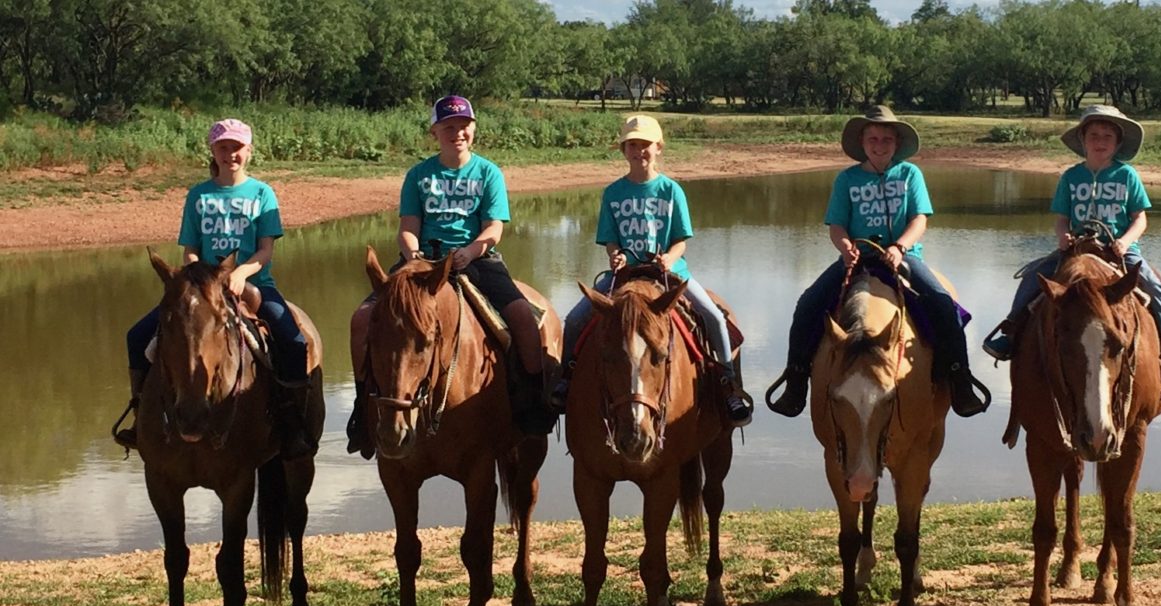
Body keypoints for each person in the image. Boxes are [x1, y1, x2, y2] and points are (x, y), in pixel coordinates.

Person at [346, 95, 553, 453]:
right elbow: (408, 227)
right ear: (435, 132)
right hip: (423, 262)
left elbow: (493, 228)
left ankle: (531, 398)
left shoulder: (488, 172)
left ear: (473, 130)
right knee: (363, 318)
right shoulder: (419, 175)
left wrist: (469, 251)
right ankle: (364, 404)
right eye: (448, 127)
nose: (457, 133)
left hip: (476, 257)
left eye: (463, 126)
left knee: (522, 317)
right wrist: (413, 254)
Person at [767, 105, 989, 419]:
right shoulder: (847, 179)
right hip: (858, 258)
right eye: (873, 138)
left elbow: (919, 219)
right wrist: (845, 247)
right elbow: (836, 225)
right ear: (863, 142)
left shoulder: (910, 174)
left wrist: (900, 247)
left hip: (903, 257)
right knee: (808, 303)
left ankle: (959, 377)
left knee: (941, 302)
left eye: (886, 139)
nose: (879, 144)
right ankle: (796, 379)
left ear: (896, 143)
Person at [113, 118, 314, 458]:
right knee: (137, 337)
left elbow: (266, 249)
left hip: (252, 284)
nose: (230, 154)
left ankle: (291, 423)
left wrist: (240, 274)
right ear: (213, 151)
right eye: (223, 147)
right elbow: (190, 249)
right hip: (201, 289)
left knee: (293, 342)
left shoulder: (262, 193)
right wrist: (193, 278)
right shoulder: (198, 195)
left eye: (237, 147)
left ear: (248, 151)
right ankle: (142, 419)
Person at [549, 114, 753, 427]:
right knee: (576, 318)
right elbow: (611, 241)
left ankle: (728, 384)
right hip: (626, 275)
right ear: (623, 149)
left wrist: (669, 259)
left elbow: (681, 241)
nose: (639, 150)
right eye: (633, 144)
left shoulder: (671, 191)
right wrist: (615, 256)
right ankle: (567, 377)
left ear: (659, 148)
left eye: (645, 144)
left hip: (669, 273)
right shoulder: (613, 193)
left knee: (712, 316)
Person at [981, 105, 1161, 374]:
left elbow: (1140, 218)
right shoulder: (1071, 176)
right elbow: (1061, 218)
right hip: (1077, 250)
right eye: (1094, 135)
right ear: (1083, 140)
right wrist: (1063, 237)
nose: (1100, 142)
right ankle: (1011, 332)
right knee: (1033, 276)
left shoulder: (1127, 175)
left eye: (1108, 136)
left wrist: (1125, 242)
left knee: (1154, 285)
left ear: (1118, 143)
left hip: (1117, 251)